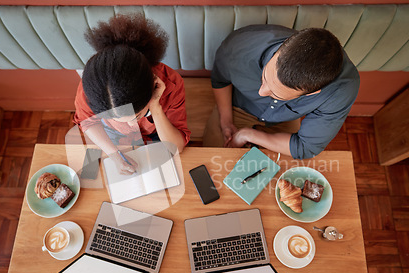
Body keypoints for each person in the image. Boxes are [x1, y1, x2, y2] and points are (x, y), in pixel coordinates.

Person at [204, 24, 360, 159]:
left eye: (276, 94)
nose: (261, 92)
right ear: (281, 49)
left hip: (284, 121)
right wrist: (225, 121)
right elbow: (220, 79)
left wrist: (247, 135)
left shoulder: (341, 90)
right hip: (237, 107)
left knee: (282, 179)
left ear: (311, 93)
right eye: (264, 77)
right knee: (214, 164)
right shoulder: (239, 46)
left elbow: (306, 147)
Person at [74, 14, 190, 174]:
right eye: (111, 117)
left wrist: (155, 108)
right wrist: (115, 156)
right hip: (111, 135)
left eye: (136, 117)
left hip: (156, 133)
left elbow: (176, 147)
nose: (129, 126)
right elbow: (87, 122)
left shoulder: (171, 84)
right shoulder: (93, 87)